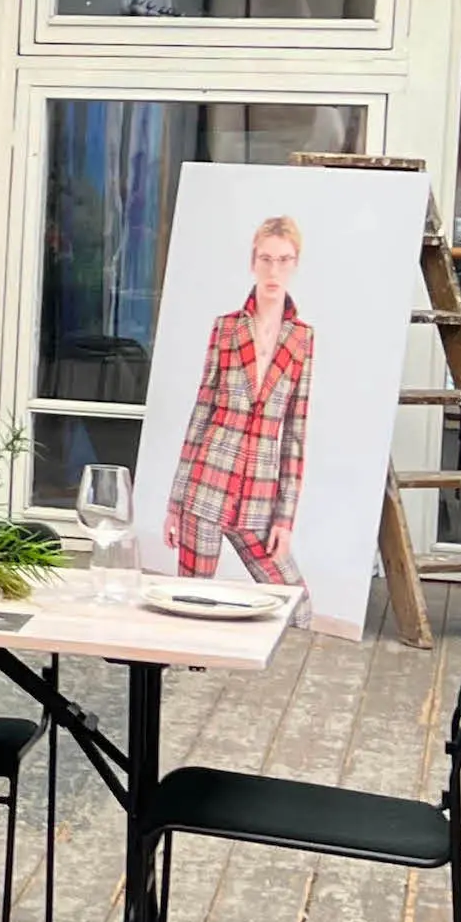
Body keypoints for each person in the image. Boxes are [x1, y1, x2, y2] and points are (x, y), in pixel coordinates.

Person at [165, 214, 313, 627]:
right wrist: (175, 504)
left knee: (298, 607)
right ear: (253, 262)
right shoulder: (226, 329)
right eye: (266, 259)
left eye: (283, 260)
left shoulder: (302, 339)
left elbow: (295, 436)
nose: (273, 270)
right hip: (206, 487)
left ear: (295, 264)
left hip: (259, 499)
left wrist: (284, 519)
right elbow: (201, 414)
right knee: (192, 609)